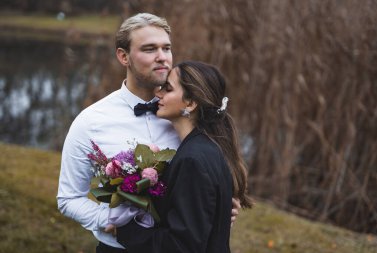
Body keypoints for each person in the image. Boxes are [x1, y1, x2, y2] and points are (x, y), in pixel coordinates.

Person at [57, 13, 241, 253]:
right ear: (124, 57)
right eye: (149, 49)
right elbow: (68, 199)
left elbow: (209, 172)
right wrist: (111, 220)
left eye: (167, 48)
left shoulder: (186, 113)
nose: (162, 58)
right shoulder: (91, 122)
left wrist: (218, 207)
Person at [115, 61, 253, 252]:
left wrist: (124, 230)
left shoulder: (193, 160)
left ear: (190, 103)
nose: (158, 94)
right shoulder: (210, 148)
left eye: (168, 89)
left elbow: (180, 245)